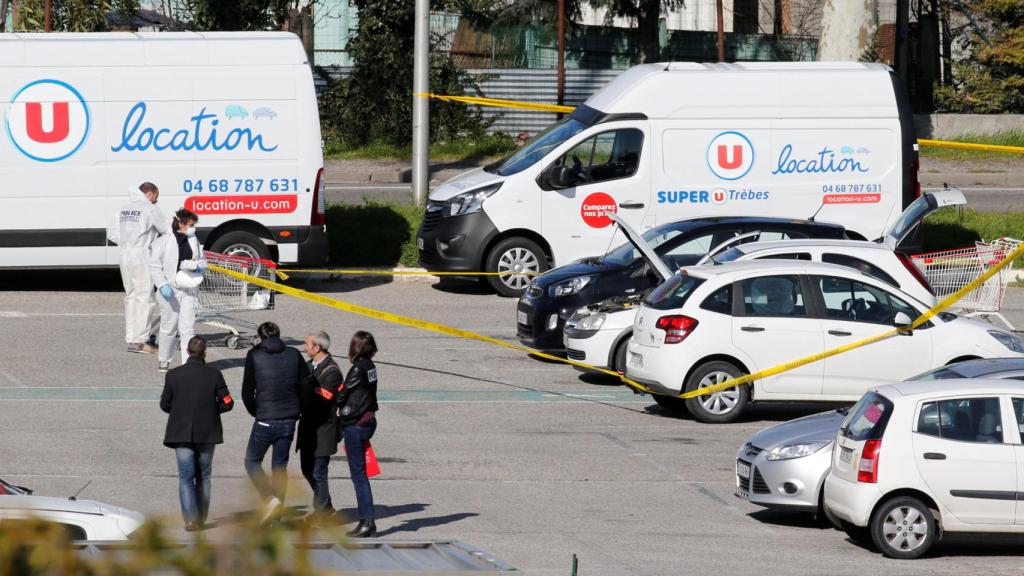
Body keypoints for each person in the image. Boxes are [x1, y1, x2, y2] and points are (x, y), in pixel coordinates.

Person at [159, 336, 234, 532]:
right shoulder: (214, 374)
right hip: (207, 432)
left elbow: (164, 404)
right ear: (205, 352)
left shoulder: (174, 375)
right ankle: (201, 518)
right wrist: (213, 410)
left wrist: (178, 412)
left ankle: (190, 519)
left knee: (185, 476)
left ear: (187, 351)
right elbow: (227, 402)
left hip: (181, 432)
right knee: (204, 476)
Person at [242, 321, 309, 523]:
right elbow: (306, 385)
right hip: (288, 418)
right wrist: (297, 410)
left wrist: (257, 411)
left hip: (265, 418)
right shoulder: (294, 354)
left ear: (261, 337)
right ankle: (277, 511)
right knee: (280, 467)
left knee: (252, 461)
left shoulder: (254, 356)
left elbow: (247, 392)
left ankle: (269, 499)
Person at [108, 182, 168, 354]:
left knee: (131, 296)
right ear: (150, 194)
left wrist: (127, 240)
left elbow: (111, 232)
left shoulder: (123, 209)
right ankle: (143, 340)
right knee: (145, 297)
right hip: (142, 254)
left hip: (125, 254)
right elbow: (166, 228)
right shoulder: (149, 209)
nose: (156, 201)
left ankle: (132, 336)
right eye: (156, 196)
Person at [297, 331, 344, 521]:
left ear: (317, 348)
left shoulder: (332, 372)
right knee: (307, 468)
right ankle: (326, 506)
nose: (305, 346)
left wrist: (302, 392)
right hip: (308, 427)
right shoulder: (309, 366)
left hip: (323, 429)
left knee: (319, 471)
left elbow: (321, 399)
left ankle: (322, 511)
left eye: (308, 344)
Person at [337, 331, 380, 538]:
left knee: (359, 475)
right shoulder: (371, 366)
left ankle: (367, 521)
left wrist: (336, 405)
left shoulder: (357, 369)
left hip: (356, 423)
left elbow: (343, 393)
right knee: (361, 473)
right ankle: (367, 520)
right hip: (369, 419)